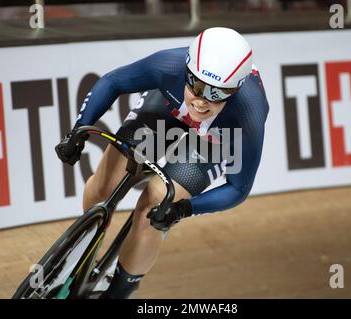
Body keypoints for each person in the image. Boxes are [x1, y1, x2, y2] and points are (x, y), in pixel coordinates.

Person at [55, 27, 269, 299]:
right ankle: (84, 250)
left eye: (216, 94)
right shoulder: (169, 64)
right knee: (104, 186)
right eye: (197, 85)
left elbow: (239, 189)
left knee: (155, 205)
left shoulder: (249, 112)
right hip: (167, 108)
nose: (202, 101)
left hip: (215, 137)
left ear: (236, 90)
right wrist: (78, 131)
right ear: (187, 70)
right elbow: (112, 82)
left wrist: (183, 209)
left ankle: (120, 292)